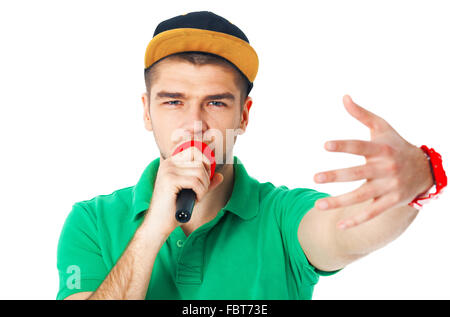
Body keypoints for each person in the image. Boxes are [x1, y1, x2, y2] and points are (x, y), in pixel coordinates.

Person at [56, 11, 446, 300]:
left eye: (216, 103)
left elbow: (347, 231)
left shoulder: (282, 216)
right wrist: (153, 229)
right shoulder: (91, 220)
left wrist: (419, 179)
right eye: (173, 101)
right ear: (146, 111)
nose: (195, 124)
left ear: (243, 115)